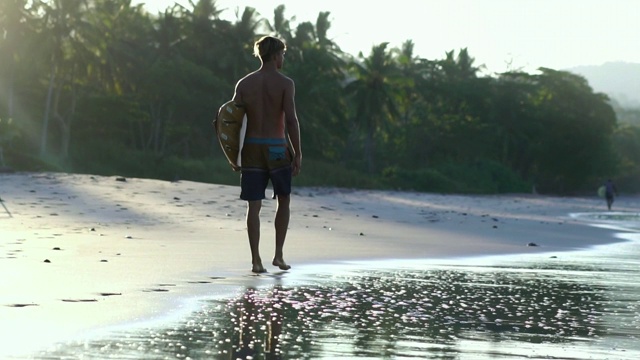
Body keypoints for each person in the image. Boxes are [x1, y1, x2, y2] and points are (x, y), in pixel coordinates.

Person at [232, 36, 302, 273]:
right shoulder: (285, 84)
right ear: (275, 55)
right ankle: (279, 256)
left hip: (251, 148)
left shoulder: (244, 84)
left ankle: (256, 261)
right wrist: (298, 152)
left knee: (254, 206)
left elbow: (231, 122)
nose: (283, 58)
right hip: (276, 148)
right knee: (283, 199)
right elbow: (291, 121)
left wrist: (233, 155)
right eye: (282, 54)